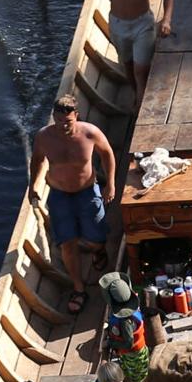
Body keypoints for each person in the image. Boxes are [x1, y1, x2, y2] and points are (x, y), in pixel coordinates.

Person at [28, 95, 117, 316]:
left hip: (87, 192)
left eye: (67, 122)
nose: (62, 126)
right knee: (67, 244)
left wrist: (110, 184)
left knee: (96, 239)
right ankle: (79, 288)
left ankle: (98, 251)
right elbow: (38, 160)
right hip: (59, 195)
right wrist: (33, 186)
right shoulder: (44, 137)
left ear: (76, 116)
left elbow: (107, 154)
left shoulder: (90, 133)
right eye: (58, 121)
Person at [68, 0, 174, 111]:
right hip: (117, 24)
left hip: (142, 24)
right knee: (128, 65)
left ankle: (140, 103)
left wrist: (166, 20)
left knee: (141, 70)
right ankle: (136, 93)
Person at [99, 272, 155, 382]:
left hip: (134, 355)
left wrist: (111, 343)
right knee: (126, 379)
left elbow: (129, 343)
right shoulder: (124, 311)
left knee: (138, 381)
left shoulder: (125, 321)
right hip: (125, 355)